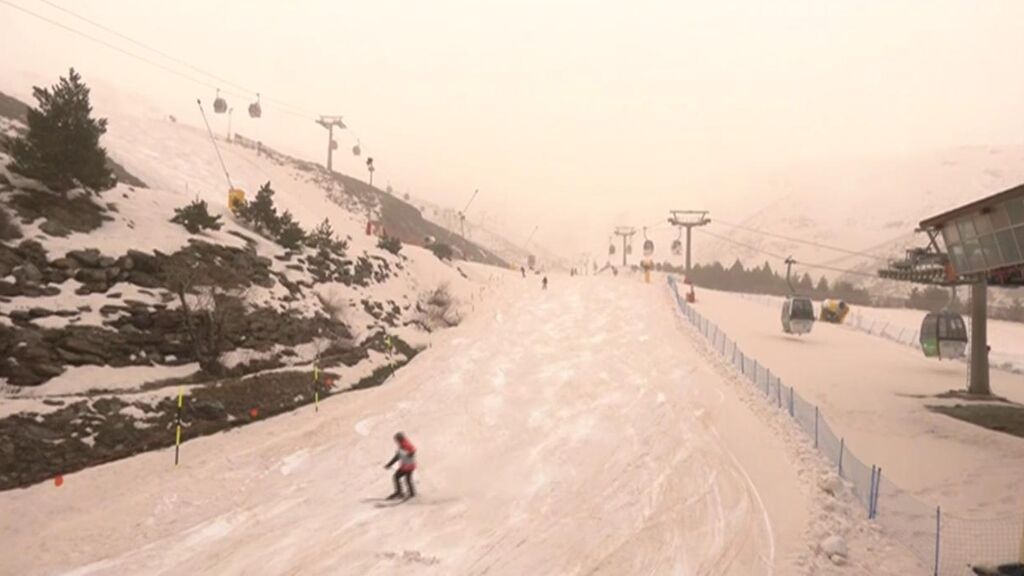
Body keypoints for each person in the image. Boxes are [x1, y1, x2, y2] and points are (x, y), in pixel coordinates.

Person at [384, 432, 416, 499]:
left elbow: (397, 457)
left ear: (399, 439)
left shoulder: (404, 445)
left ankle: (399, 492)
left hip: (407, 466)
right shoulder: (404, 444)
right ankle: (412, 493)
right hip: (409, 466)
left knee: (396, 477)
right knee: (407, 479)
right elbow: (412, 450)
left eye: (396, 440)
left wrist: (389, 464)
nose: (396, 441)